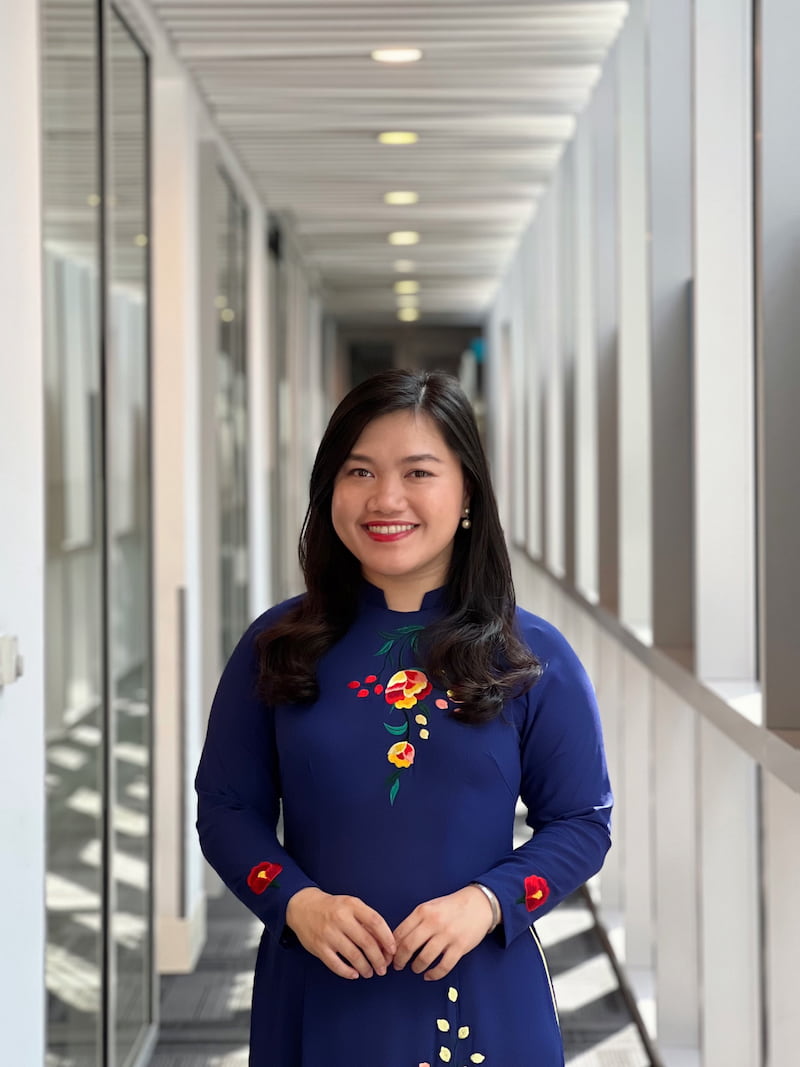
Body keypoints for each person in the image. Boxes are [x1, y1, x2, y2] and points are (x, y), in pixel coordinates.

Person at [195, 369, 612, 1066]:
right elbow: (226, 808)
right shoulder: (276, 644)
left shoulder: (531, 655)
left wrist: (487, 900)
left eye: (418, 472)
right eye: (359, 470)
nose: (385, 498)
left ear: (468, 491)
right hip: (316, 987)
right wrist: (296, 903)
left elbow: (581, 821)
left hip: (482, 991)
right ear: (331, 487)